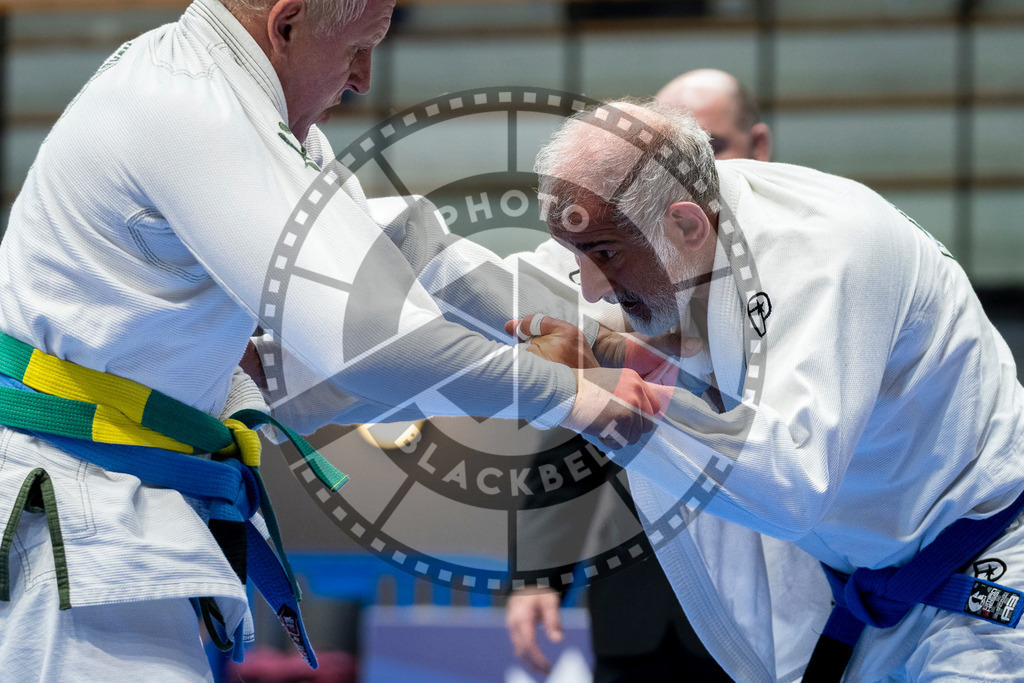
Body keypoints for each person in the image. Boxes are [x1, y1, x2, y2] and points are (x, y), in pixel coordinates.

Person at [0, 1, 659, 679]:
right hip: (76, 505)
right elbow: (369, 341)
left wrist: (585, 330)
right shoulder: (189, 104)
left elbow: (406, 249)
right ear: (286, 24)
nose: (365, 79)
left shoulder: (258, 112)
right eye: (358, 47)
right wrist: (571, 395)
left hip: (129, 490)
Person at [512, 99, 1024, 681]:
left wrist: (609, 402)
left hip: (986, 569)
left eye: (602, 255)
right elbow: (516, 287)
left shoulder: (825, 255)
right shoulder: (665, 227)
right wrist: (403, 244)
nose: (595, 287)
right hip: (862, 585)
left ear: (685, 224)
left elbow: (791, 482)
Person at [506, 68, 771, 682]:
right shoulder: (616, 269)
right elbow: (573, 425)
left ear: (757, 146)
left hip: (770, 593)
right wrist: (538, 576)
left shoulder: (795, 268)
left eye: (711, 148)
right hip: (637, 593)